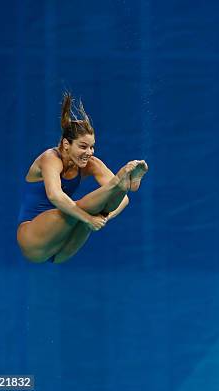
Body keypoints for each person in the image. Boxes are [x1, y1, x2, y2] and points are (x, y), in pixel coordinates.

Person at [16, 92, 148, 263]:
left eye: (92, 147)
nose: (89, 153)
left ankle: (123, 184)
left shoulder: (91, 163)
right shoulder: (50, 158)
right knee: (82, 208)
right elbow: (55, 196)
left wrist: (103, 218)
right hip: (32, 240)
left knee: (101, 206)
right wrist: (88, 219)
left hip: (60, 252)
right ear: (66, 144)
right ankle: (119, 181)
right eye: (83, 146)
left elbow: (124, 201)